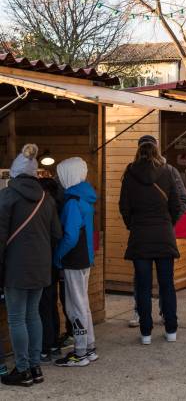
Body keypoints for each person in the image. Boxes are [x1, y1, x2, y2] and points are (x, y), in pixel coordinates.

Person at [0, 144, 62, 386]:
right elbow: (56, 233)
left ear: (14, 173)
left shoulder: (6, 196)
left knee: (16, 318)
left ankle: (23, 369)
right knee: (33, 315)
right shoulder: (46, 198)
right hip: (41, 266)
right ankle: (36, 368)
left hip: (15, 267)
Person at [119, 137, 181, 345]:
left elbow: (124, 206)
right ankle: (171, 330)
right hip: (164, 234)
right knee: (167, 285)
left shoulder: (129, 173)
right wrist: (168, 222)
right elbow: (177, 203)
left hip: (140, 236)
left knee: (143, 286)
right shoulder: (168, 171)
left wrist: (133, 224)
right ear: (157, 150)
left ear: (138, 150)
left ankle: (145, 333)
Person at [53, 157, 98, 367]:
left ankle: (79, 352)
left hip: (73, 259)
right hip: (85, 257)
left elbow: (70, 236)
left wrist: (58, 255)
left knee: (74, 306)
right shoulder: (85, 198)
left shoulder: (71, 202)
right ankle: (89, 346)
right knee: (83, 304)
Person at [38, 178, 64, 363]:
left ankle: (45, 347)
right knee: (51, 304)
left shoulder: (43, 206)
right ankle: (54, 344)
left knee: (41, 307)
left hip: (42, 262)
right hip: (52, 262)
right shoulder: (58, 205)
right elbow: (58, 235)